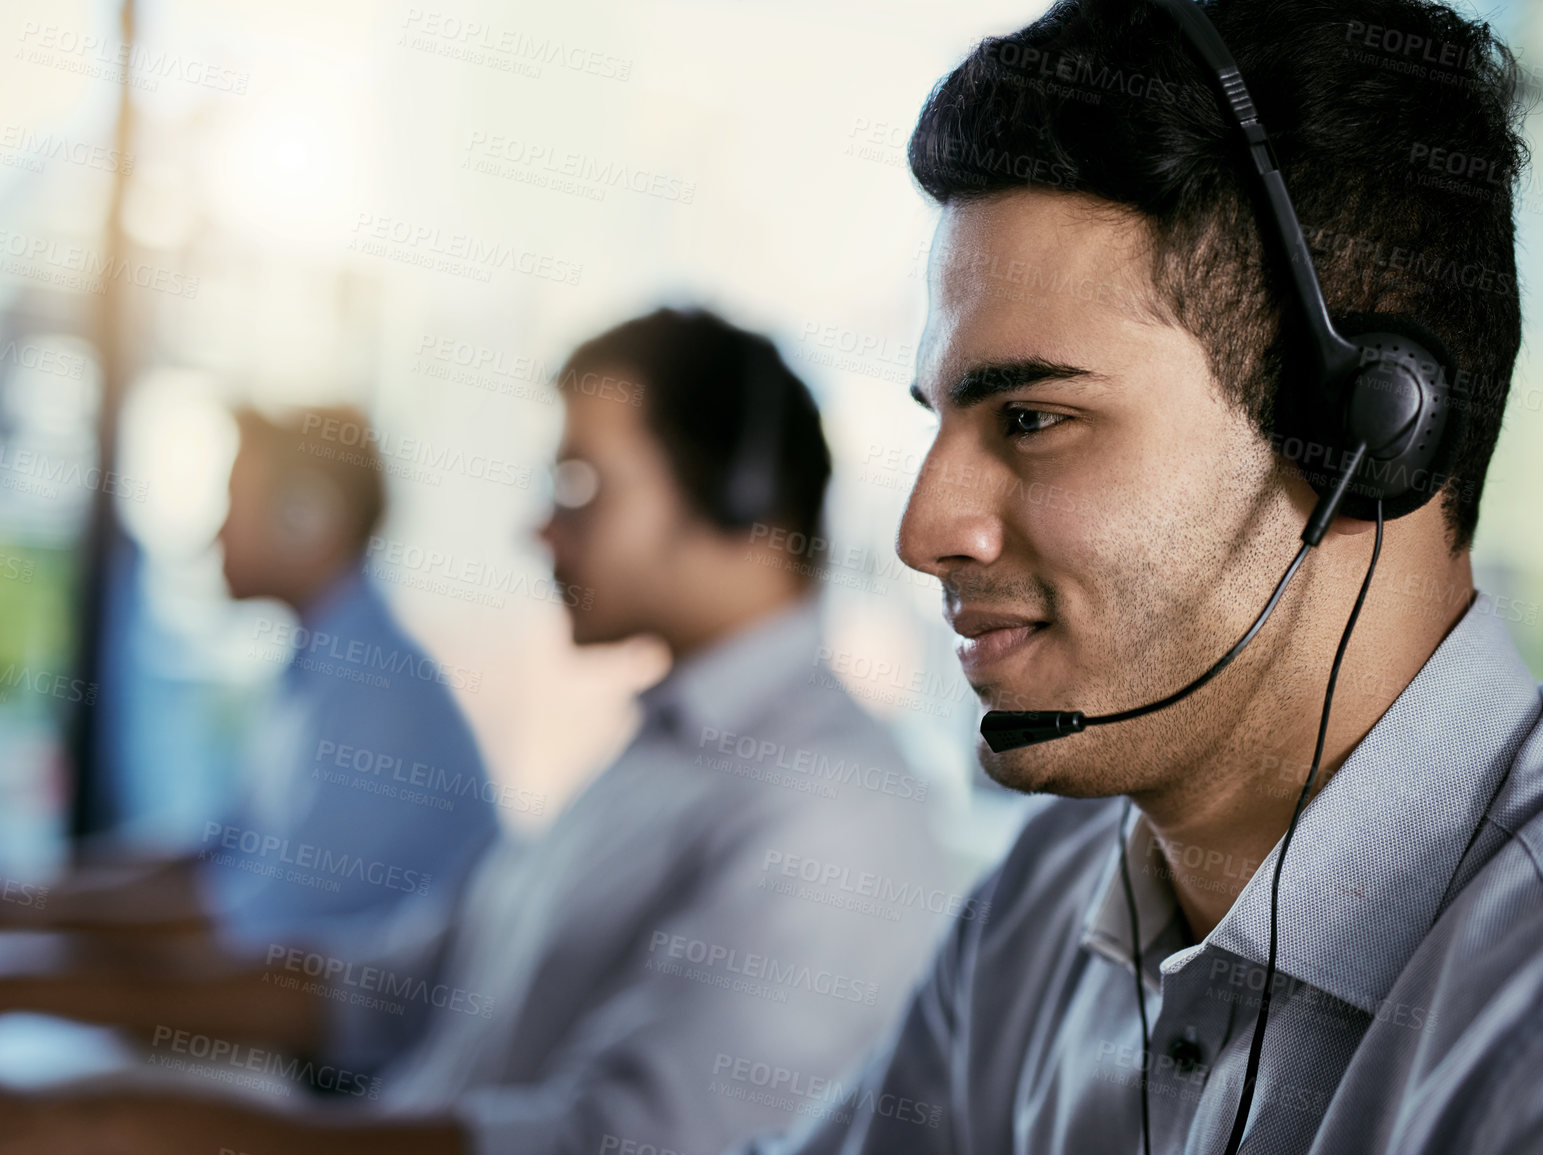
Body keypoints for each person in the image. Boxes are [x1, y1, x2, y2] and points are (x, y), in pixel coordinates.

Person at [730, 1, 1543, 1153]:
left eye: (1034, 418)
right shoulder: (1045, 908)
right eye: (942, 420)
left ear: (1364, 437)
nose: (925, 530)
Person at [0, 309, 959, 1155]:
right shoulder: (666, 745)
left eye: (581, 486)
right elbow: (388, 985)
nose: (539, 530)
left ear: (741, 503)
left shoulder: (831, 810)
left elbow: (627, 1147)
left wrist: (113, 1129)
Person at [0, 405, 498, 957]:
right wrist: (32, 899)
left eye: (234, 502)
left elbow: (243, 926)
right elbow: (218, 858)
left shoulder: (376, 695)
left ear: (304, 519)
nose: (215, 532)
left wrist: (33, 948)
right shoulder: (322, 665)